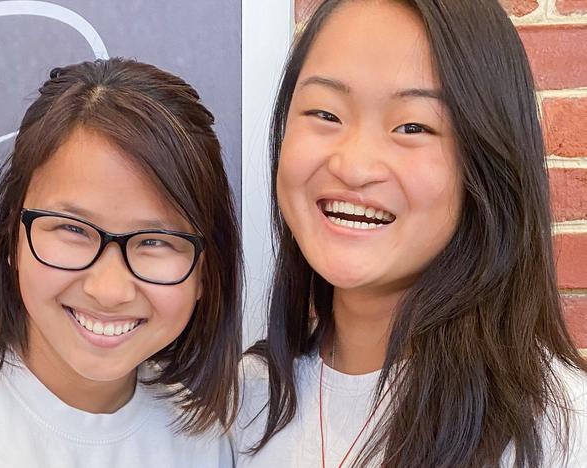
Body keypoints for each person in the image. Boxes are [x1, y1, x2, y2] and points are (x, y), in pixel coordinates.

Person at [233, 0, 587, 467]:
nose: (354, 166)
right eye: (325, 114)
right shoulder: (247, 399)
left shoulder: (560, 425)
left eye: (413, 126)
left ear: (485, 163)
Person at [0, 58, 242, 467]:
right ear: (11, 235)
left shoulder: (204, 440)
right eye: (73, 230)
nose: (108, 290)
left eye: (155, 241)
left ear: (206, 272)